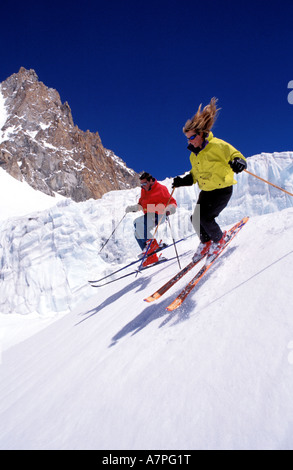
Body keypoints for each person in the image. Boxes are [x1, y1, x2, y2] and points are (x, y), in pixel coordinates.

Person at [173, 97, 247, 260]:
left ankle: (219, 240)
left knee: (206, 218)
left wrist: (239, 162)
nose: (189, 141)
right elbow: (195, 174)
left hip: (221, 190)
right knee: (195, 218)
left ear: (201, 134)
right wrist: (183, 181)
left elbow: (236, 154)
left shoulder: (218, 145)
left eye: (192, 137)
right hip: (206, 191)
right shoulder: (194, 156)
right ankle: (206, 241)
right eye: (187, 139)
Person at [126, 172, 177, 266]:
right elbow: (141, 204)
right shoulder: (144, 190)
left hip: (160, 214)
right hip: (149, 215)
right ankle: (151, 257)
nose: (143, 186)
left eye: (145, 184)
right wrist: (133, 208)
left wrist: (170, 209)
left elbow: (173, 202)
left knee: (138, 222)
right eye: (141, 184)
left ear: (151, 181)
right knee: (137, 233)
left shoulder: (161, 189)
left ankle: (152, 246)